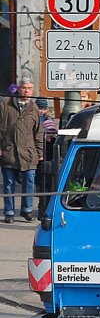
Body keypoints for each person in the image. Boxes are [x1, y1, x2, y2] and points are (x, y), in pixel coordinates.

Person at [0, 79, 44, 223]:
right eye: (24, 88)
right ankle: (9, 212)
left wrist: (40, 151)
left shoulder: (34, 108)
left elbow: (38, 132)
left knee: (29, 180)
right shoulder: (5, 104)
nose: (26, 91)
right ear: (18, 89)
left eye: (29, 88)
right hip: (9, 150)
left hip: (28, 152)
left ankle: (27, 209)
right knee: (9, 183)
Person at [35, 98, 59, 221]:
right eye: (40, 108)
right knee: (42, 185)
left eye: (43, 108)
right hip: (39, 158)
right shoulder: (36, 120)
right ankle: (42, 209)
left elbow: (52, 136)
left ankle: (44, 210)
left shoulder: (49, 122)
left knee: (46, 186)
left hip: (47, 157)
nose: (41, 111)